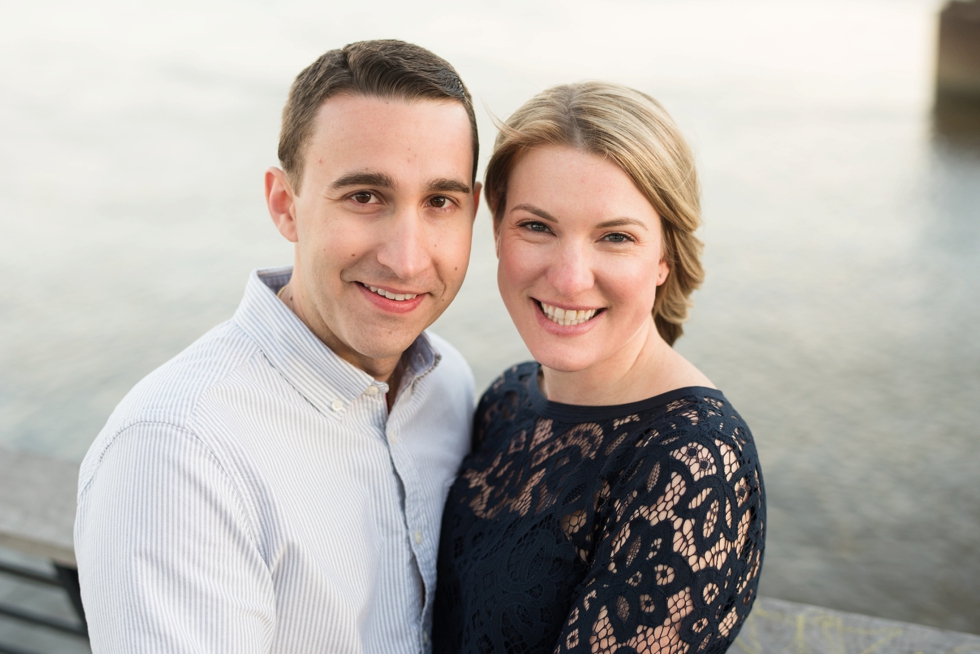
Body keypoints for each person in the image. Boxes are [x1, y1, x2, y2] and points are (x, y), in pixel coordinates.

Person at [74, 40, 481, 653]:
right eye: (365, 197)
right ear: (284, 205)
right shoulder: (178, 451)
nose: (406, 257)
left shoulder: (449, 382)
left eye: (439, 202)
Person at [433, 82, 766, 653]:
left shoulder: (694, 462)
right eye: (537, 226)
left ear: (663, 257)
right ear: (495, 229)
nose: (569, 277)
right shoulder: (508, 398)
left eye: (615, 237)